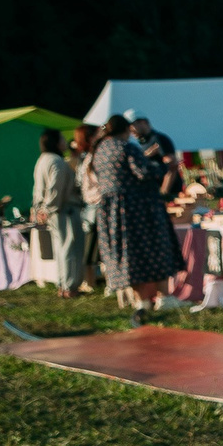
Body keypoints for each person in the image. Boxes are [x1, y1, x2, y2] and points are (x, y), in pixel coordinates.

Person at [90, 113, 181, 310]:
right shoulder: (126, 147)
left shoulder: (99, 150)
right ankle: (164, 297)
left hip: (111, 211)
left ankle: (142, 301)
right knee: (154, 248)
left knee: (129, 256)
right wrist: (163, 166)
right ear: (126, 130)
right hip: (138, 207)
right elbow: (143, 172)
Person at [28, 127, 89, 298]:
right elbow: (55, 189)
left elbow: (38, 189)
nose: (65, 141)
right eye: (62, 139)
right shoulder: (57, 162)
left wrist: (40, 208)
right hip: (64, 210)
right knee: (70, 248)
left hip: (52, 211)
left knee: (61, 248)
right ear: (55, 142)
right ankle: (70, 287)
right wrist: (49, 208)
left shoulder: (42, 160)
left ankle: (63, 285)